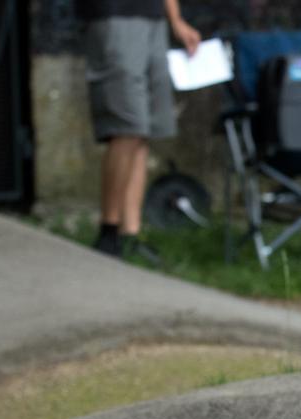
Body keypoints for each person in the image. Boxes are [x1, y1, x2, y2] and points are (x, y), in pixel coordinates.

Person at [75, 0, 201, 258]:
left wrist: (175, 19)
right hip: (115, 16)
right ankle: (108, 230)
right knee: (127, 127)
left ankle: (130, 234)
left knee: (143, 130)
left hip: (154, 17)